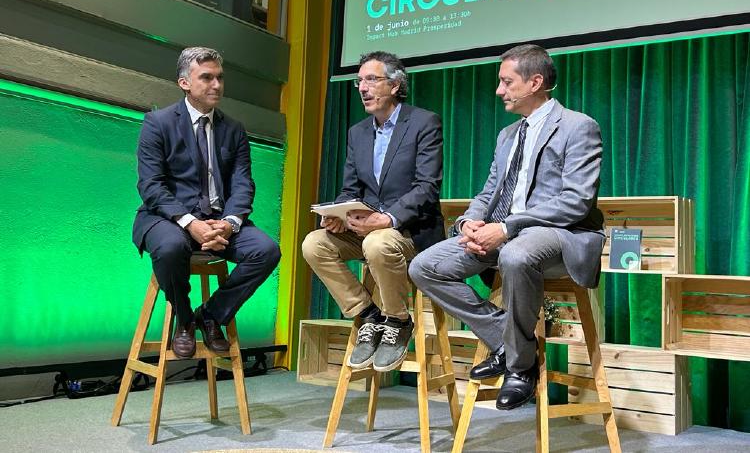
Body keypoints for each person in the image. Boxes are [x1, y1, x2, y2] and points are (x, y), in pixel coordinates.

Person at [409, 44, 605, 409]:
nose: (499, 90)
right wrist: (469, 221)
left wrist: (507, 228)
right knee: (424, 267)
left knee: (516, 254)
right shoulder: (507, 135)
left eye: (506, 81)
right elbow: (489, 190)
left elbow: (576, 202)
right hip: (504, 232)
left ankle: (519, 368)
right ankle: (509, 341)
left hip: (561, 233)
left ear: (535, 82)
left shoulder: (579, 127)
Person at [132, 46, 281, 359]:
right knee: (171, 248)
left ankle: (211, 314)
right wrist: (191, 223)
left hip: (219, 221)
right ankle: (184, 320)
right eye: (207, 77)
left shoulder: (234, 129)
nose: (217, 85)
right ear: (185, 83)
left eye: (220, 78)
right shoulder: (157, 123)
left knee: (266, 250)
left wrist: (229, 223)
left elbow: (243, 184)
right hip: (169, 219)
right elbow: (151, 186)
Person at [302, 51, 444, 372]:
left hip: (410, 234)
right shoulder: (358, 132)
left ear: (394, 86)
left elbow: (427, 187)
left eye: (371, 79)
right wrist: (339, 213)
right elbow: (351, 188)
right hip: (365, 233)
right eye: (359, 81)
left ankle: (397, 320)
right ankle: (367, 315)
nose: (362, 88)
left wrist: (389, 218)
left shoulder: (423, 122)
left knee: (378, 242)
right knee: (314, 243)